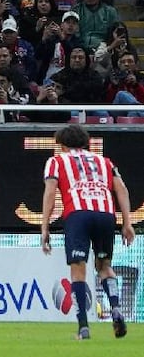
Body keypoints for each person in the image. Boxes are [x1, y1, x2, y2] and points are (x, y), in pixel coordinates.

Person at [40, 124, 135, 340]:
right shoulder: (105, 162)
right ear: (86, 142)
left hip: (78, 214)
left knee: (78, 271)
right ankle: (116, 308)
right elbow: (122, 189)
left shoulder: (56, 161)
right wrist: (127, 222)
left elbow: (50, 192)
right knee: (104, 267)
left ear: (62, 145)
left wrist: (44, 226)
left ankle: (83, 327)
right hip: (105, 214)